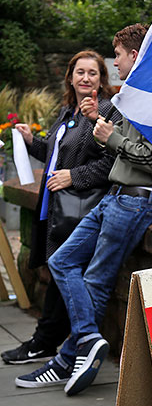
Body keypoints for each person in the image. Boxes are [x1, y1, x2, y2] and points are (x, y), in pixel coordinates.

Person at [15, 23, 152, 395]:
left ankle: (64, 359)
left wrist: (109, 136)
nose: (114, 63)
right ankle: (86, 341)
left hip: (138, 199)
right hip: (117, 197)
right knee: (61, 261)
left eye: (117, 56)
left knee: (96, 281)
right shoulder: (132, 97)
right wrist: (97, 126)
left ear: (133, 55)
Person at [3, 50, 119, 367]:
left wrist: (74, 176)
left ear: (101, 78)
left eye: (92, 73)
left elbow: (113, 164)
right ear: (70, 77)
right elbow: (57, 156)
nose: (85, 78)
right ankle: (49, 340)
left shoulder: (106, 111)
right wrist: (31, 142)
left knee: (62, 270)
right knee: (59, 270)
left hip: (80, 211)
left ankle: (47, 341)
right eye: (79, 72)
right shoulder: (68, 111)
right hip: (53, 209)